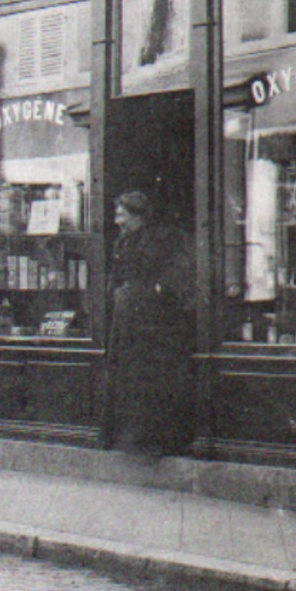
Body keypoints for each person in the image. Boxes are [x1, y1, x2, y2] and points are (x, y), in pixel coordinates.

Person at [107, 190, 196, 457]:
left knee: (153, 377)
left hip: (154, 319)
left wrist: (159, 290)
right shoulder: (122, 242)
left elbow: (180, 270)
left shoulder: (165, 237)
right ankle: (132, 438)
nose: (117, 220)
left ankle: (156, 440)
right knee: (129, 374)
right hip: (127, 316)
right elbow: (116, 274)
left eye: (121, 214)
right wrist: (116, 292)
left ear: (137, 214)